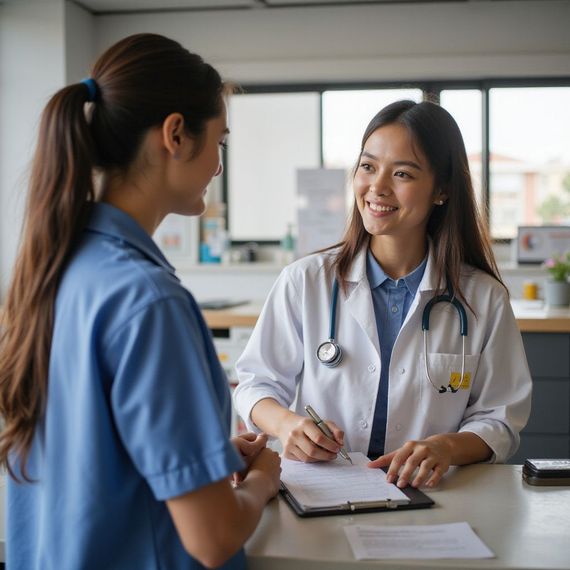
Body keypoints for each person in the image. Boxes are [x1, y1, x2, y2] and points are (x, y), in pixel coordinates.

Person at [0, 33, 280, 570]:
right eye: (220, 142)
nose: (219, 166)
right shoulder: (149, 302)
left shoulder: (53, 269)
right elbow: (213, 537)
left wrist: (212, 463)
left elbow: (94, 462)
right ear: (175, 134)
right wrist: (265, 480)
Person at [233, 99, 531, 490]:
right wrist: (287, 424)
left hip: (433, 494)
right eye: (368, 167)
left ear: (441, 189)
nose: (377, 187)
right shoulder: (305, 281)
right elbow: (256, 383)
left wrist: (445, 447)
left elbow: (501, 418)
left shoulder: (483, 298)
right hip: (322, 490)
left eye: (403, 173)